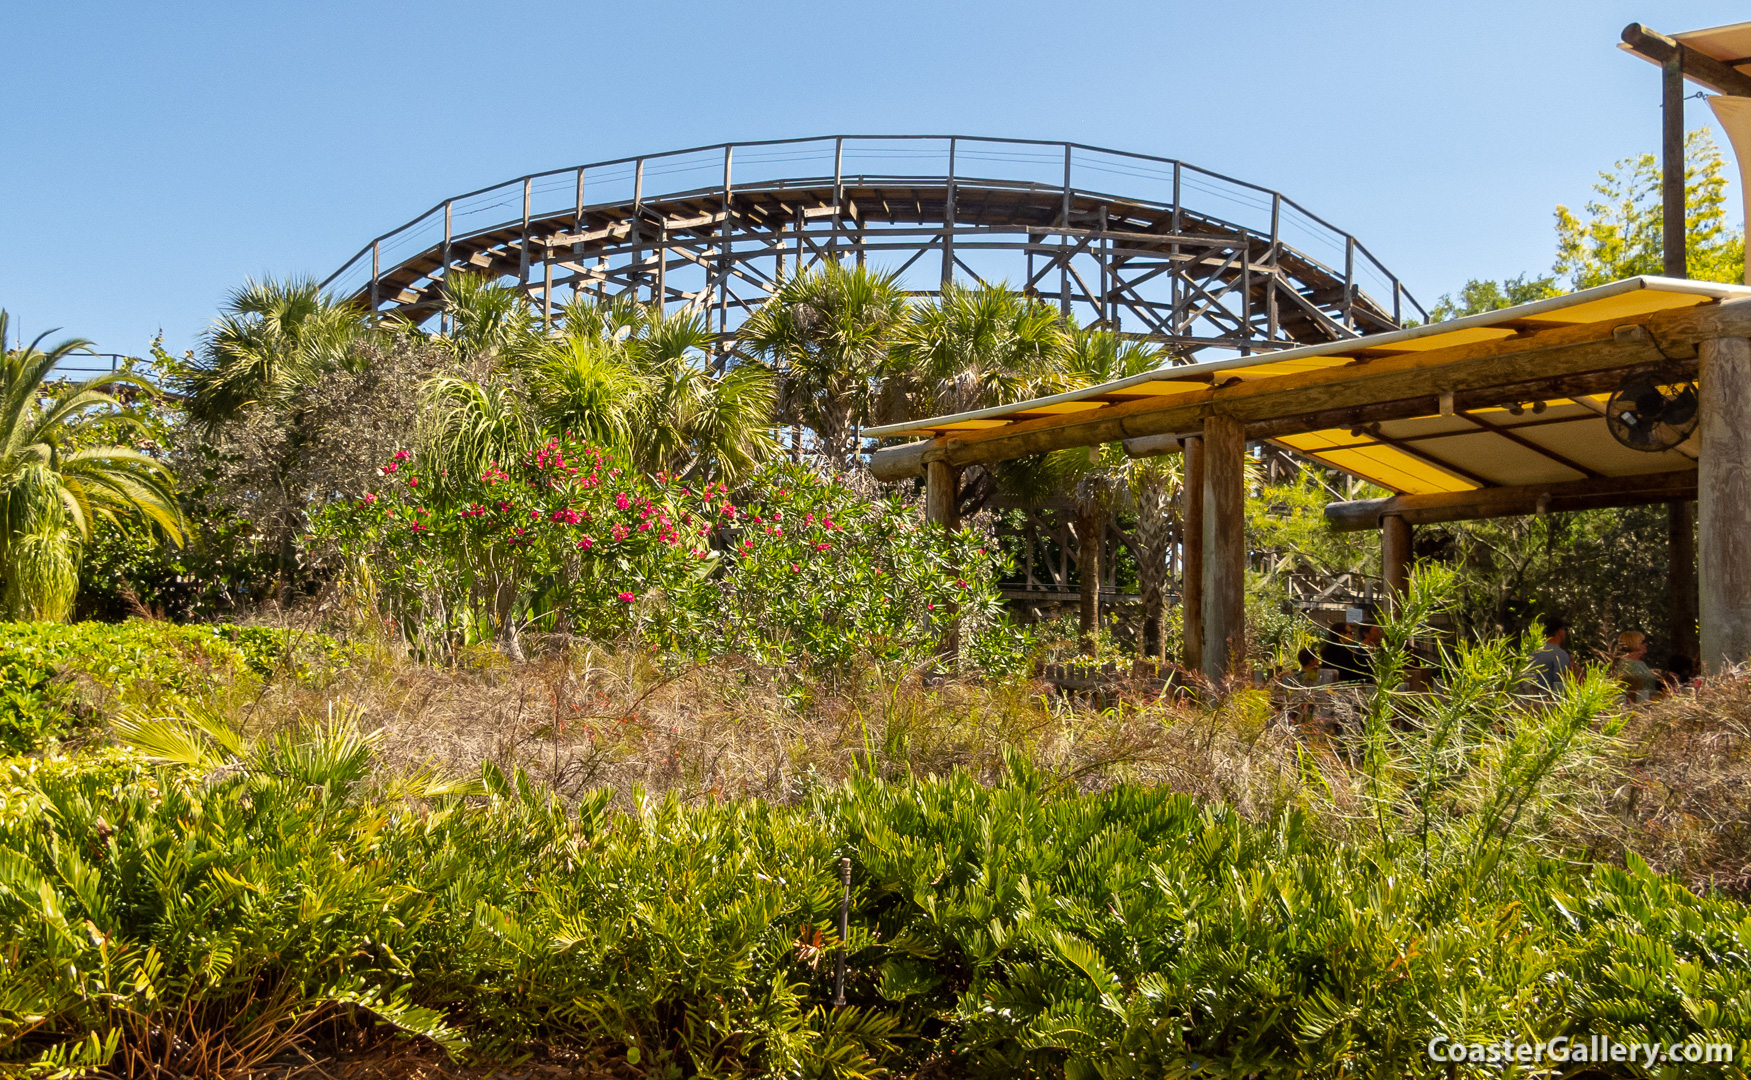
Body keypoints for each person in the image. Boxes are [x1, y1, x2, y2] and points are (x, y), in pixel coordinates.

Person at [1612, 631, 1657, 704]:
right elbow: (1630, 689)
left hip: (1649, 700)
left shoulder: (1641, 663)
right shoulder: (1627, 664)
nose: (1646, 644)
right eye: (1642, 642)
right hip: (1639, 703)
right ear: (1633, 644)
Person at [1529, 616, 1571, 693]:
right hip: (1548, 702)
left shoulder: (1533, 653)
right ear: (1560, 631)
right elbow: (1561, 682)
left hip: (1528, 700)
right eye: (1565, 630)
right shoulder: (1560, 654)